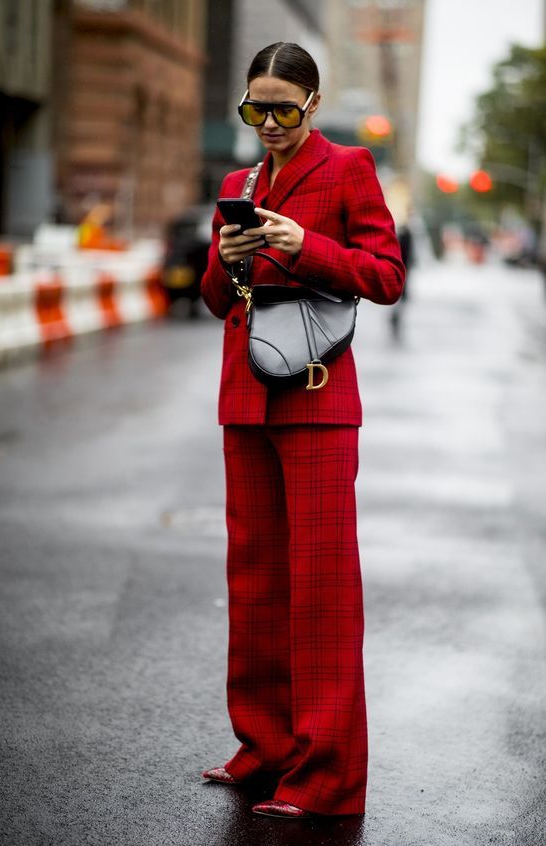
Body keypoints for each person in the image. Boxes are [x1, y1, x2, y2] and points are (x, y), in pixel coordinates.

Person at [200, 42, 405, 819]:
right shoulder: (237, 182)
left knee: (320, 589)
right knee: (253, 582)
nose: (271, 123)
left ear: (312, 104)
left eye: (285, 108)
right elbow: (220, 301)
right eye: (258, 109)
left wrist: (303, 246)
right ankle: (264, 748)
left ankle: (326, 777)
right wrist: (229, 254)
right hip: (244, 395)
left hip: (318, 395)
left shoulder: (347, 167)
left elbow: (385, 276)